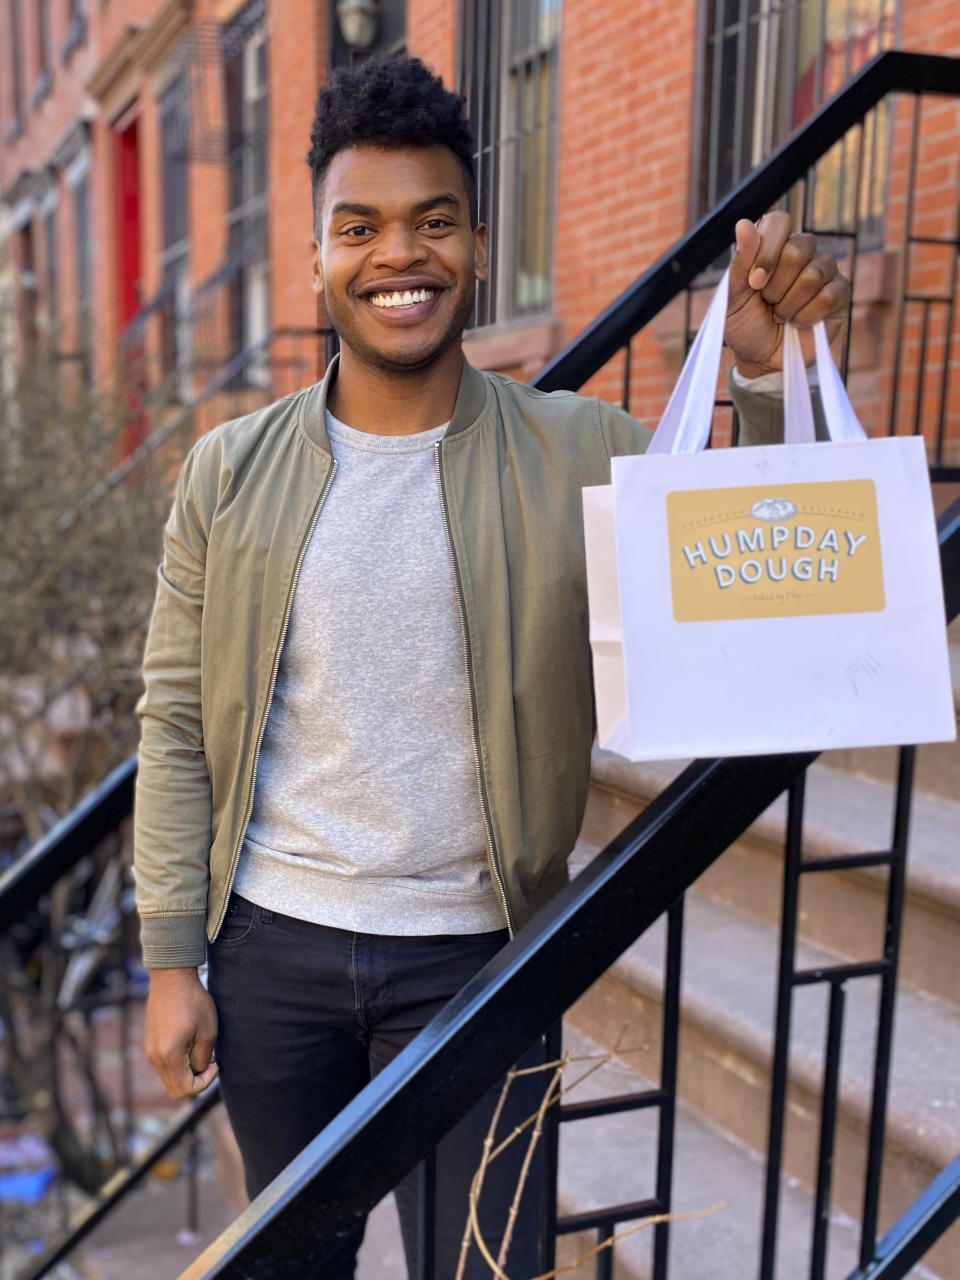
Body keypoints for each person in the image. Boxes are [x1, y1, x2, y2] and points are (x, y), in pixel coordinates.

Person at [134, 55, 850, 1279]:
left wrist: (764, 375)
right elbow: (178, 717)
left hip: (483, 957)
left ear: (474, 245)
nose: (395, 256)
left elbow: (750, 563)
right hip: (274, 956)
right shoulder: (230, 471)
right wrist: (166, 957)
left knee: (485, 1267)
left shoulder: (572, 451)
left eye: (432, 223)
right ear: (316, 255)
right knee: (291, 1264)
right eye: (358, 227)